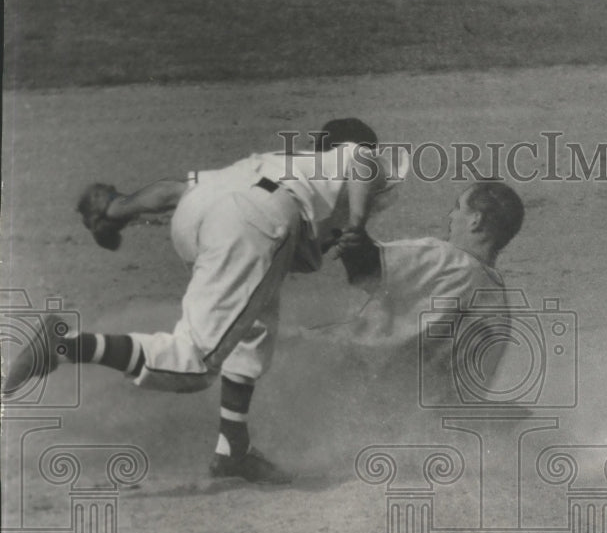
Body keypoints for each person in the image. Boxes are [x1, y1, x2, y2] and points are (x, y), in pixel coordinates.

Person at [2, 118, 406, 484]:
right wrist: (356, 223)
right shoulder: (356, 158)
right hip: (256, 224)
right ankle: (65, 344)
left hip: (204, 214)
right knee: (193, 364)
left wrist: (117, 208)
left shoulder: (280, 162)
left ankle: (233, 449)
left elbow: (172, 192)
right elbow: (362, 164)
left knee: (254, 325)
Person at [336, 180, 525, 404]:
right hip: (420, 423)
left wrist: (348, 223)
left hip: (360, 396)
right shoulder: (501, 311)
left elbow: (365, 269)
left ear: (476, 220)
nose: (450, 216)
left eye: (458, 207)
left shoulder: (448, 260)